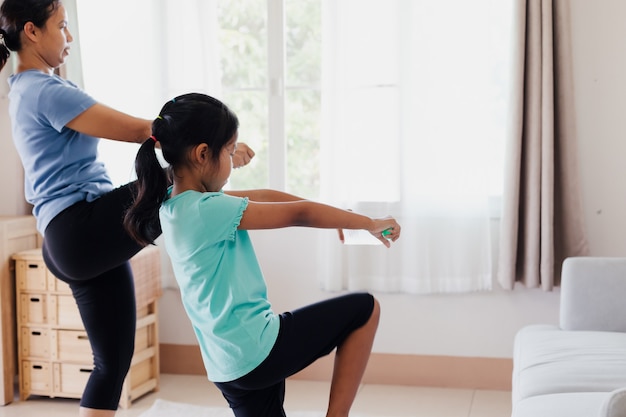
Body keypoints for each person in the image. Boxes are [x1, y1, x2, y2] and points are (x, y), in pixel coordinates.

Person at [0, 2, 255, 416]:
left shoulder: (28, 89)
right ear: (31, 31)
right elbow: (145, 132)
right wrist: (220, 149)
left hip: (75, 239)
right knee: (180, 183)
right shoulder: (43, 90)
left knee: (113, 364)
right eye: (62, 27)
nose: (69, 36)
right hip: (79, 228)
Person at [124, 92, 401, 417]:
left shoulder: (175, 204)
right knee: (365, 309)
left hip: (227, 365)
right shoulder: (207, 209)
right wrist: (367, 223)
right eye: (229, 151)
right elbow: (300, 214)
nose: (231, 160)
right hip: (257, 348)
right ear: (202, 154)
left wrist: (340, 215)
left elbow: (267, 196)